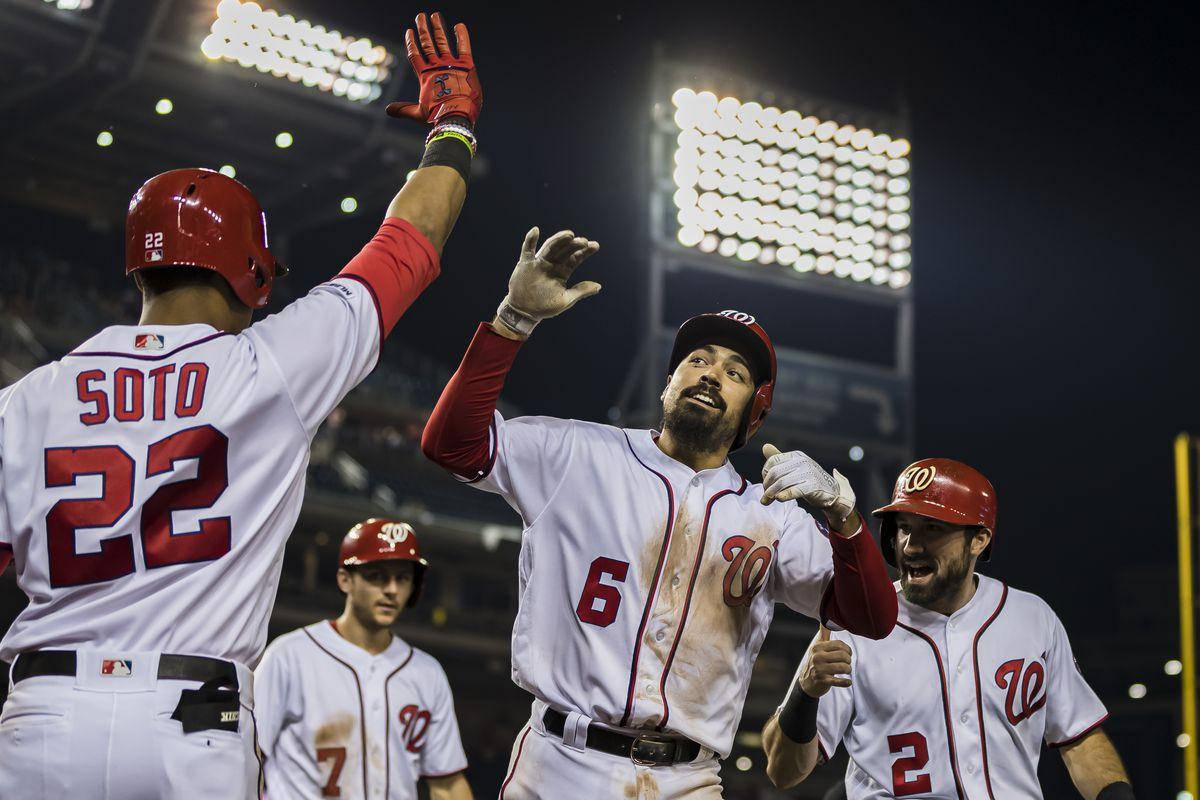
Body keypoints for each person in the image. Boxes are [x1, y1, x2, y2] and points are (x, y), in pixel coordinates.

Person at [0, 12, 480, 799]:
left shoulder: (27, 399)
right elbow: (409, 244)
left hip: (47, 712)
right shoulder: (270, 367)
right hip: (193, 720)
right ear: (252, 273)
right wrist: (452, 128)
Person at [420, 229, 898, 799]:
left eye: (735, 373)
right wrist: (513, 319)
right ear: (669, 382)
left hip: (687, 779)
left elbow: (873, 618)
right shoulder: (579, 452)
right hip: (559, 763)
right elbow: (451, 446)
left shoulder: (773, 516)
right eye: (697, 359)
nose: (710, 373)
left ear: (755, 413)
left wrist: (844, 519)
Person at [762, 459, 1135, 800]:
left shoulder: (1032, 618)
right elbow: (783, 772)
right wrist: (805, 693)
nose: (910, 545)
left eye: (933, 529)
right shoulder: (856, 622)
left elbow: (1080, 738)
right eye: (904, 528)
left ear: (979, 539)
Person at [255, 518, 472, 800]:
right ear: (345, 580)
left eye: (403, 578)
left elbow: (448, 785)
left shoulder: (427, 673)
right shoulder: (289, 656)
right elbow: (248, 756)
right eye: (377, 576)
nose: (392, 590)